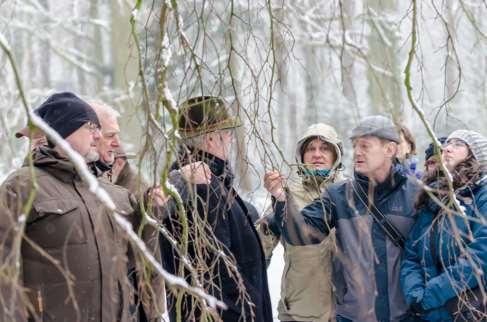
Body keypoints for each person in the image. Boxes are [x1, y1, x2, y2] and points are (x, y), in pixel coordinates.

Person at [0, 92, 165, 322]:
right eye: (91, 127)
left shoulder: (115, 195)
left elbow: (144, 265)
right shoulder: (21, 187)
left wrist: (152, 210)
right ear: (64, 131)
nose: (98, 136)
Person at [265, 115, 420, 322]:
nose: (357, 152)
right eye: (355, 146)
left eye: (365, 146)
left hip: (405, 317)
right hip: (345, 316)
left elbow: (431, 258)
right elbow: (300, 236)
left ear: (390, 150)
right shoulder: (338, 195)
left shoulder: (417, 195)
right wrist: (282, 198)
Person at [160, 96, 273, 322]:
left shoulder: (211, 182)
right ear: (211, 138)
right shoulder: (203, 187)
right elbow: (217, 274)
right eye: (227, 132)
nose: (231, 138)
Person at [259, 123, 344, 322]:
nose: (317, 154)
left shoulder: (349, 193)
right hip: (300, 313)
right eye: (310, 149)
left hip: (348, 313)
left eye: (324, 148)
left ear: (336, 155)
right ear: (301, 156)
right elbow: (256, 251)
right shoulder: (285, 196)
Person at [401, 130, 487, 321]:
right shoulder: (434, 197)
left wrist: (431, 294)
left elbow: (481, 256)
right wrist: (415, 294)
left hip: (468, 312)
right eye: (446, 144)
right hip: (427, 313)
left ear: (476, 154)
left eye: (457, 144)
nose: (447, 148)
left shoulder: (482, 195)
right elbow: (412, 254)